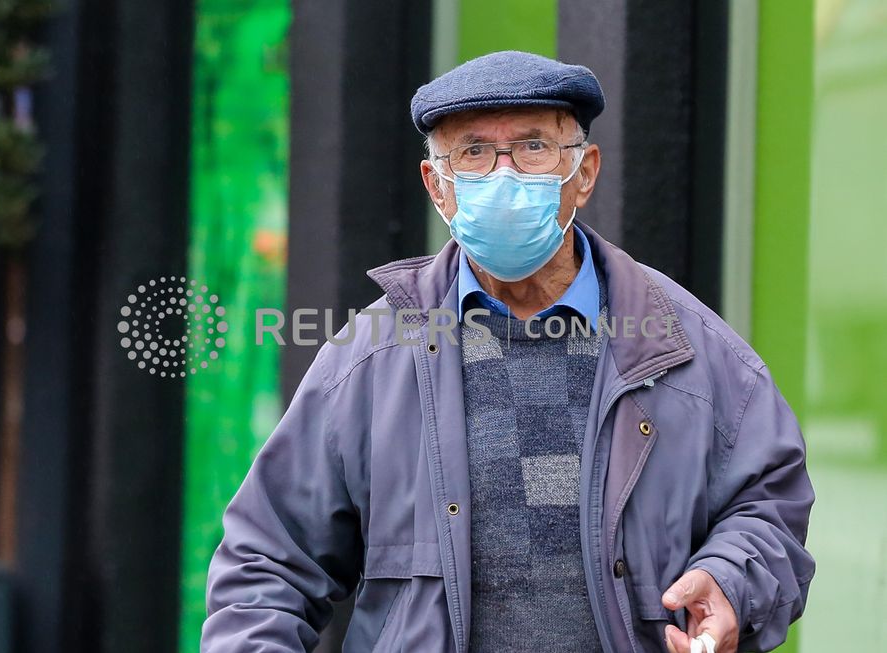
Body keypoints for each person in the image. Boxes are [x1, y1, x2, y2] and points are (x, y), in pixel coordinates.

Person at [201, 50, 815, 653]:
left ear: (585, 171)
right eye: (472, 152)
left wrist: (734, 580)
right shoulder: (369, 360)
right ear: (437, 186)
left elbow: (768, 503)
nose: (503, 175)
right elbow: (264, 565)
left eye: (531, 147)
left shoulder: (687, 348)